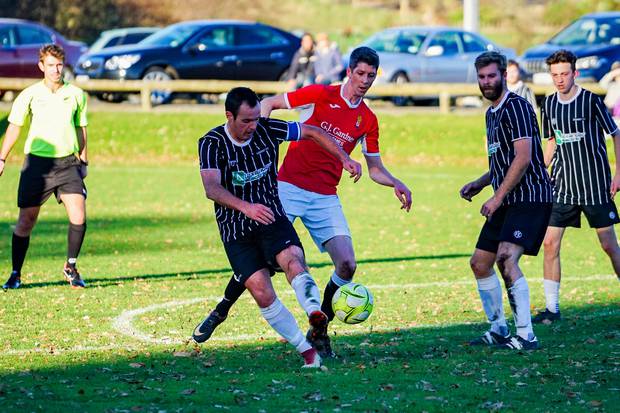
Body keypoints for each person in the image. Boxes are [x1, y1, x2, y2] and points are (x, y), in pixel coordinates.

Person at [197, 47, 412, 358]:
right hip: (287, 188)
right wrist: (258, 139)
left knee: (348, 264)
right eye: (360, 73)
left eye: (371, 75)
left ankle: (319, 328)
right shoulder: (319, 94)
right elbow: (269, 103)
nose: (365, 80)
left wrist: (395, 182)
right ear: (348, 72)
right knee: (265, 261)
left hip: (325, 195)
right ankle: (222, 308)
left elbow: (374, 168)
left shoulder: (368, 119)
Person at [191, 87, 362, 368]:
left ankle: (315, 313)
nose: (253, 126)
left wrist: (344, 158)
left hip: (271, 216)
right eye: (246, 121)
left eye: (257, 118)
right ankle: (305, 350)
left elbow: (313, 132)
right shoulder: (211, 142)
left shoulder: (267, 129)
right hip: (236, 229)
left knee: (294, 260)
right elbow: (211, 188)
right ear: (229, 116)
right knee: (261, 290)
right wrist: (246, 207)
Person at [460, 51, 552, 350]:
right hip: (506, 198)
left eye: (491, 76)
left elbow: (523, 159)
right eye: (482, 77)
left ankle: (526, 334)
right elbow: (504, 160)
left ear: (503, 75)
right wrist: (480, 182)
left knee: (505, 259)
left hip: (530, 197)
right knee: (480, 263)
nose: (486, 82)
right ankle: (499, 328)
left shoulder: (517, 107)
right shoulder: (491, 113)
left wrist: (496, 198)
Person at [533, 50, 620, 324]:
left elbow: (616, 134)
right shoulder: (548, 105)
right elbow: (551, 141)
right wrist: (541, 171)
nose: (559, 79)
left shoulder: (592, 102)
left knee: (608, 245)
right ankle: (551, 309)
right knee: (549, 243)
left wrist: (618, 173)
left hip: (595, 186)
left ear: (575, 73)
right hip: (562, 186)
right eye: (555, 74)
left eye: (564, 74)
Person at [0, 44, 89, 289]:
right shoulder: (29, 94)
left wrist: (84, 159)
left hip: (68, 163)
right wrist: (2, 158)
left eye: (59, 64)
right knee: (26, 221)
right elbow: (15, 127)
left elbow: (82, 128)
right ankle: (16, 273)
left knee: (79, 216)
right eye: (51, 65)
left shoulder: (76, 94)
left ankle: (71, 266)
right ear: (41, 66)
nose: (56, 70)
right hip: (37, 166)